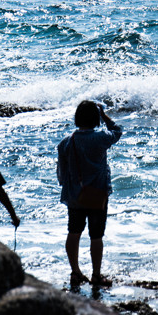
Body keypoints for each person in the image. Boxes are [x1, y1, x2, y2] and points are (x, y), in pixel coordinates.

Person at [57, 100, 123, 289]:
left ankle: (75, 272)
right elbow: (117, 131)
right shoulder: (100, 138)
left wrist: (69, 188)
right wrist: (104, 116)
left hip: (74, 196)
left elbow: (61, 174)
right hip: (97, 194)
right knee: (96, 236)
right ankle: (96, 275)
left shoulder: (66, 142)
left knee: (73, 232)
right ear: (95, 119)